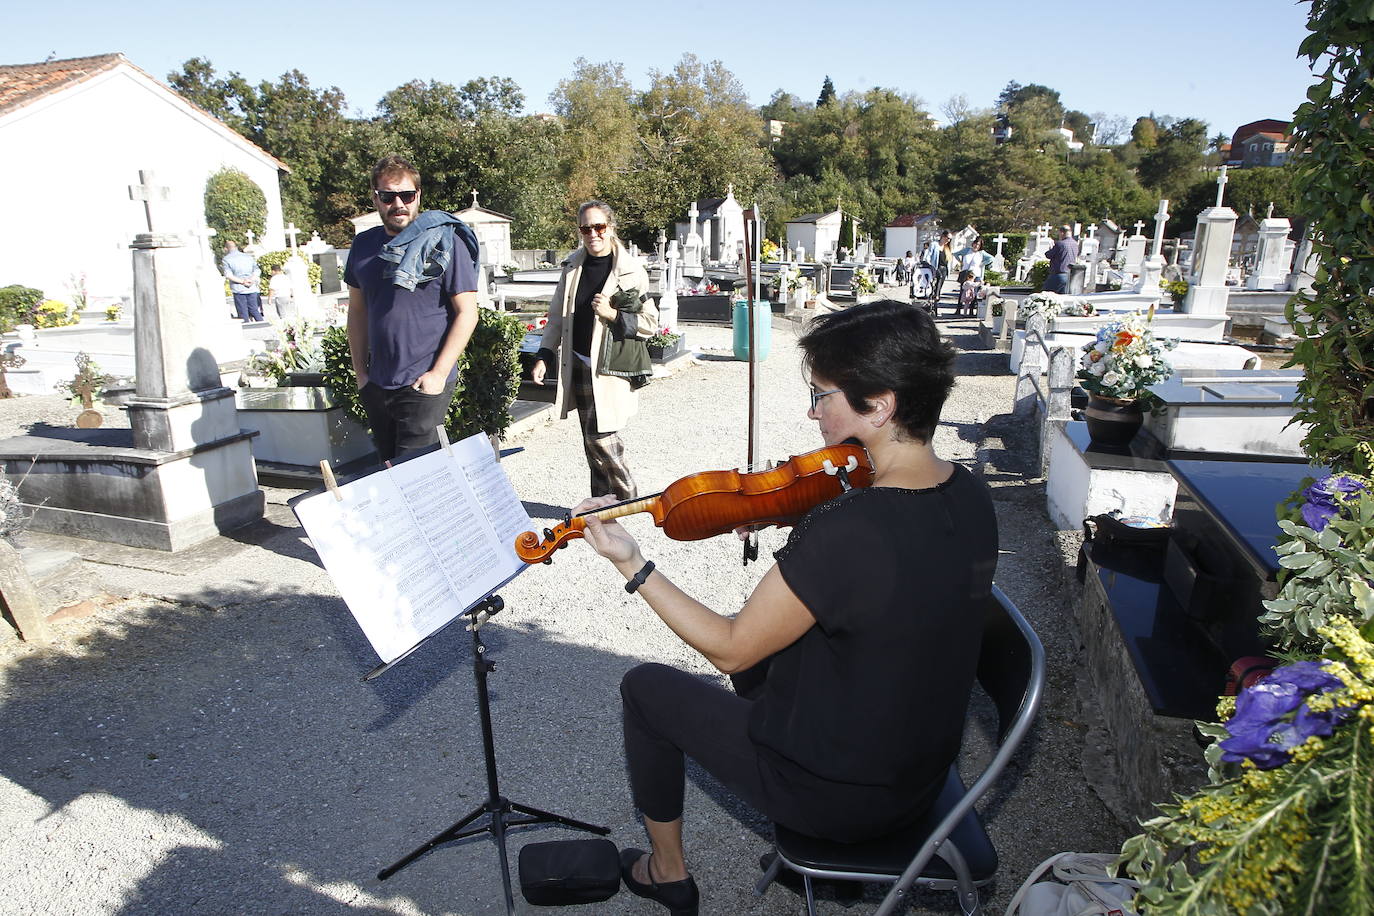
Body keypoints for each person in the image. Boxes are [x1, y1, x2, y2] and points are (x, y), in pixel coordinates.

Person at [573, 300, 998, 914]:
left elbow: (729, 646)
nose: (812, 410)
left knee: (647, 689)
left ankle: (666, 871)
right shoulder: (970, 494)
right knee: (774, 656)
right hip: (921, 778)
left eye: (823, 394)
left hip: (837, 798)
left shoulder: (848, 525)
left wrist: (630, 561)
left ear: (880, 405)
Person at [344, 155, 480, 462]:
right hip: (378, 383)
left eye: (406, 195)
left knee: (418, 479)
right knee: (390, 472)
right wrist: (361, 374)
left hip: (423, 382)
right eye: (388, 196)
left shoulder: (445, 243)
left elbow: (467, 313)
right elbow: (357, 311)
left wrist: (438, 374)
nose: (398, 204)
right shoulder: (363, 246)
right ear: (375, 197)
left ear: (417, 196)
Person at [531, 201, 655, 500]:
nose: (592, 234)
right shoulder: (573, 267)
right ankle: (602, 502)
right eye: (586, 228)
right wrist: (545, 354)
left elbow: (650, 323)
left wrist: (613, 315)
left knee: (602, 435)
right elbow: (558, 315)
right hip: (579, 364)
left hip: (610, 367)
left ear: (610, 228)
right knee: (590, 439)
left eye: (598, 227)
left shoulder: (630, 271)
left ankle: (629, 497)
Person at [221, 241, 263, 322]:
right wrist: (251, 279)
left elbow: (228, 275)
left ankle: (246, 329)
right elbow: (257, 270)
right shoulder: (248, 257)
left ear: (226, 248)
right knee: (254, 310)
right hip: (251, 287)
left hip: (238, 288)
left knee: (243, 312)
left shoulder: (226, 259)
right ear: (236, 247)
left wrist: (242, 281)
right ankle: (262, 325)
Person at [1044, 225, 1080, 294]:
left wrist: (1051, 248)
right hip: (1069, 275)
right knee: (1062, 297)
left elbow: (1048, 255)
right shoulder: (1075, 244)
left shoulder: (1060, 244)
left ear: (1062, 233)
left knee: (1046, 296)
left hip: (1058, 275)